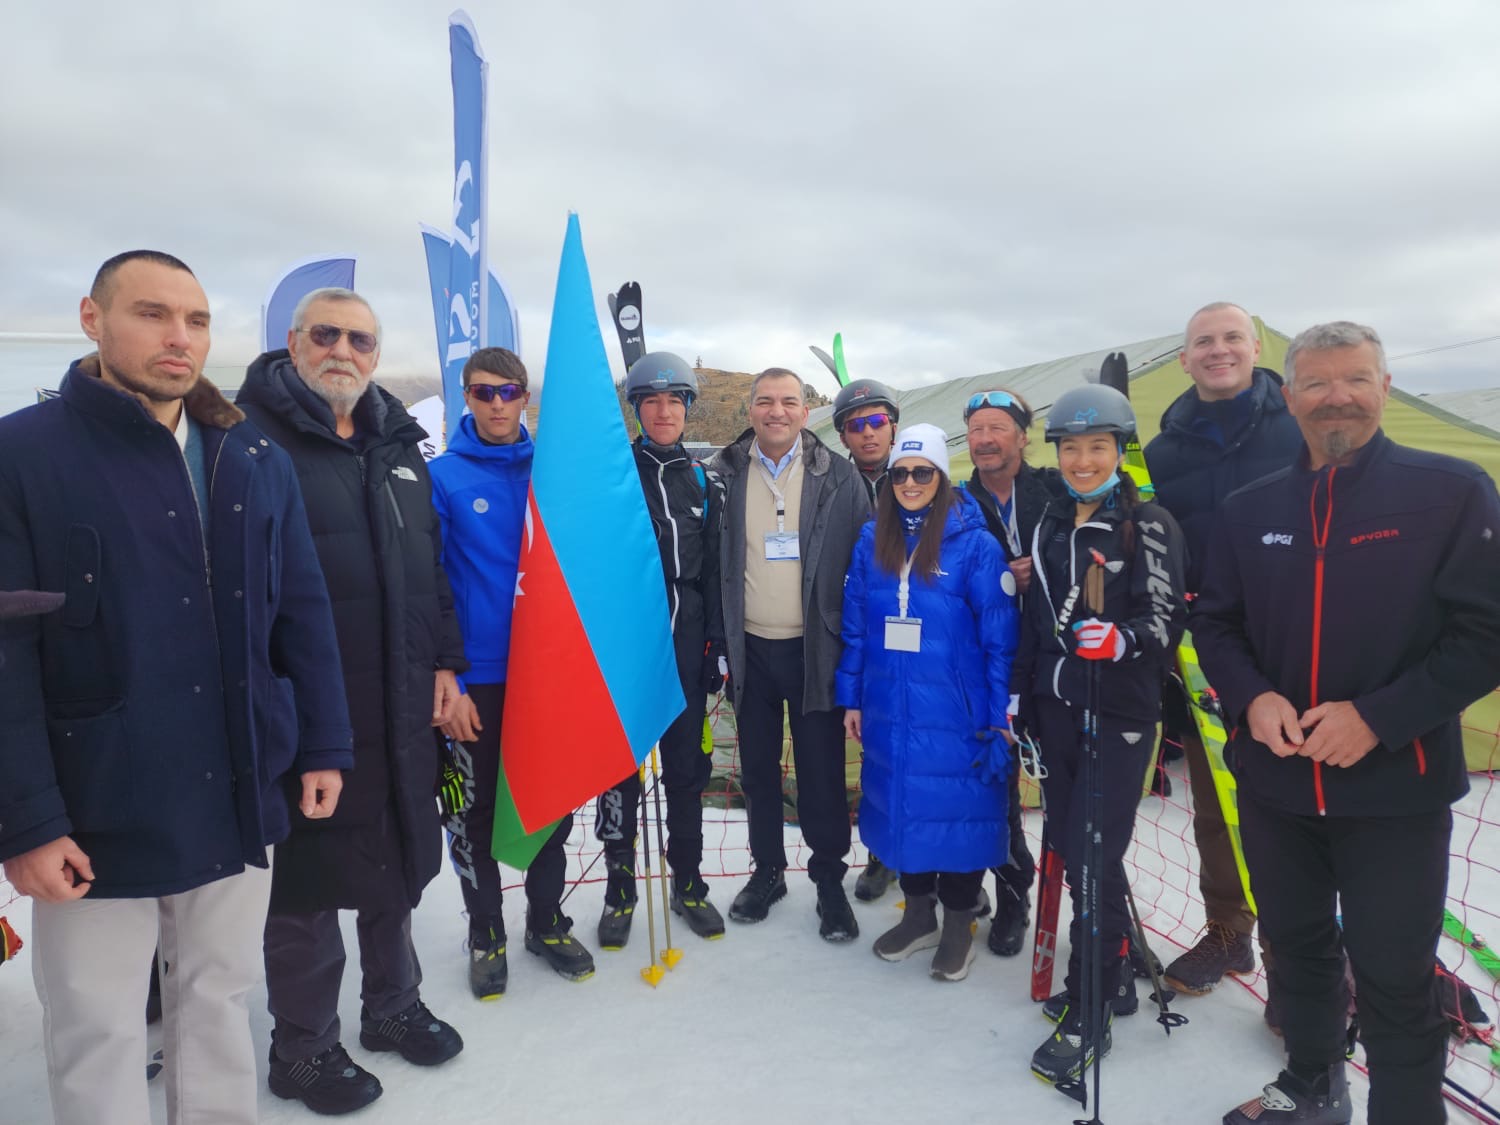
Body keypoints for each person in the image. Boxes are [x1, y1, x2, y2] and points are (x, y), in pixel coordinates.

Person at [0, 250, 352, 1125]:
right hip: (94, 809)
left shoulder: (250, 454)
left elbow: (301, 610)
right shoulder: (21, 454)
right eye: (153, 314)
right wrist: (28, 821)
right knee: (98, 1028)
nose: (179, 337)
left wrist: (322, 743)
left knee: (218, 1004)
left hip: (237, 786)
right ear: (92, 317)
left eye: (196, 320)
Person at [1194, 322, 1500, 1125]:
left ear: (1385, 387)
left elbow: (1487, 634)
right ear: (1288, 395)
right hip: (1275, 783)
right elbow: (1216, 625)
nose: (1339, 396)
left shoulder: (1452, 491)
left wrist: (1378, 717)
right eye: (1320, 382)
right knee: (1296, 948)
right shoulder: (1250, 506)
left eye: (1356, 379)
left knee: (1396, 976)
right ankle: (1310, 1083)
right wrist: (1252, 697)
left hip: (1397, 791)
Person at [237, 287, 466, 1115]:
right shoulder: (250, 443)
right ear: (293, 341)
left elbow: (428, 570)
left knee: (394, 857)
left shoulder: (399, 446)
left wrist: (445, 662)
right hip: (304, 705)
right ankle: (301, 1045)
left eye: (359, 339)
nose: (343, 349)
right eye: (325, 334)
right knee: (304, 880)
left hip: (401, 696)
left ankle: (392, 1005)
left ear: (376, 353)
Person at [1014, 384, 1187, 1087]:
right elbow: (1035, 617)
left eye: (1098, 446)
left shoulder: (1145, 523)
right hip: (1056, 709)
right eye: (1072, 447)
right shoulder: (1052, 518)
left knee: (1091, 851)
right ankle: (1112, 975)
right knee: (1076, 843)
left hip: (1115, 711)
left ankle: (1090, 1009)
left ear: (1120, 450)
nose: (1084, 459)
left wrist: (1122, 638)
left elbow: (1166, 621)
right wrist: (1022, 699)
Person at [1143, 301, 1303, 998]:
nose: (1218, 350)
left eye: (1231, 337)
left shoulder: (1298, 422)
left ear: (1257, 345)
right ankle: (1230, 929)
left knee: (1301, 800)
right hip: (1207, 645)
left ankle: (1302, 956)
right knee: (1215, 797)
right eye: (1203, 341)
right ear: (1184, 358)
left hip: (1297, 640)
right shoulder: (1162, 449)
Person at [428, 347, 595, 995]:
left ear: (526, 397)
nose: (497, 403)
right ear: (465, 397)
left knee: (548, 801)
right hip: (480, 677)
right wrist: (450, 678)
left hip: (548, 671)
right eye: (482, 392)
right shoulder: (444, 477)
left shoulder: (554, 473)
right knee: (471, 810)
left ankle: (546, 921)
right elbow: (430, 586)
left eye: (509, 391)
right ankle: (485, 930)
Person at [836, 423, 1017, 980]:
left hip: (955, 712)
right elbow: (857, 628)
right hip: (891, 706)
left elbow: (998, 637)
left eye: (922, 472)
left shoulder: (976, 544)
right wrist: (853, 698)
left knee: (958, 816)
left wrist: (999, 716)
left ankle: (959, 922)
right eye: (900, 473)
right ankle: (919, 916)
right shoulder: (873, 539)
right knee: (902, 814)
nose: (910, 482)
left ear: (941, 477)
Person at [712, 367, 870, 939]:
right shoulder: (723, 475)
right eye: (764, 401)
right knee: (756, 771)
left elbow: (866, 564)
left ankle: (829, 881)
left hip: (815, 650)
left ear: (806, 412)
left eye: (788, 402)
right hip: (749, 647)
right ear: (749, 410)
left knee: (821, 773)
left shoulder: (839, 477)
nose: (775, 411)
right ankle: (768, 871)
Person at [593, 352, 729, 946]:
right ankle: (620, 886)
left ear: (688, 409)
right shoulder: (614, 475)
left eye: (675, 401)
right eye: (652, 401)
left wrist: (717, 647)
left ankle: (690, 882)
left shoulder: (704, 480)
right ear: (638, 410)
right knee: (617, 771)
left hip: (687, 643)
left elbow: (719, 570)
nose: (665, 411)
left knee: (686, 772)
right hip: (626, 643)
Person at [961, 388, 1065, 957]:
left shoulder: (1057, 491)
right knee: (994, 790)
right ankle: (1010, 895)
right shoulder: (957, 503)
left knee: (1065, 795)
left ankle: (1093, 909)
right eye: (976, 429)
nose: (984, 439)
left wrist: (1040, 569)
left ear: (1023, 436)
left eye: (997, 427)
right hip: (991, 669)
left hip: (1056, 665)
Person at [830, 376, 903, 903]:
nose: (869, 433)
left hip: (920, 636)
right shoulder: (833, 484)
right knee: (874, 752)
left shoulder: (921, 475)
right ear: (843, 437)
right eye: (857, 426)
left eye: (877, 421)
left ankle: (938, 859)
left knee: (925, 747)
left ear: (894, 427)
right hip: (859, 633)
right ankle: (881, 855)